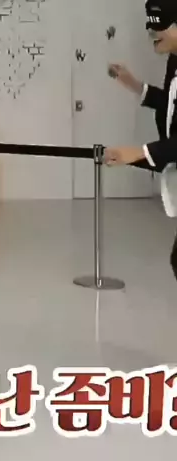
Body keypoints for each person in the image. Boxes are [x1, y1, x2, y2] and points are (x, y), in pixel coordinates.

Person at [106, 0, 177, 278]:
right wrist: (134, 85)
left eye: (160, 26)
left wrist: (141, 152)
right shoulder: (174, 59)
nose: (153, 34)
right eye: (150, 28)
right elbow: (171, 104)